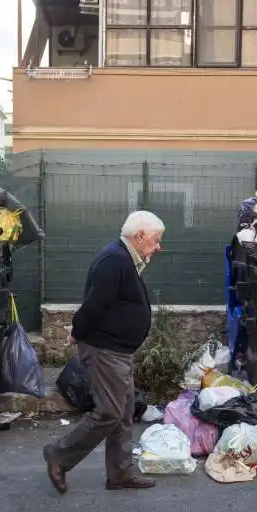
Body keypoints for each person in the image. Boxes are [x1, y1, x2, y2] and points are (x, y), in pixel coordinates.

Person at [43, 210, 165, 494]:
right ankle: (59, 455)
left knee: (123, 413)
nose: (158, 247)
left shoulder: (125, 258)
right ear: (139, 236)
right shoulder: (115, 260)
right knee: (110, 411)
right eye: (156, 240)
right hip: (106, 350)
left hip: (118, 349)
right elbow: (94, 304)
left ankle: (120, 473)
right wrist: (77, 331)